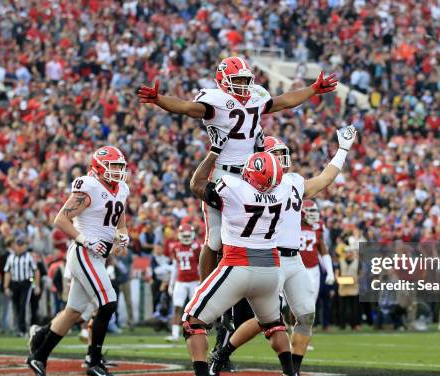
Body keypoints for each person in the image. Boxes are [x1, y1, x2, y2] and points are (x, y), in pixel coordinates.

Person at [137, 56, 337, 285]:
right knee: (215, 239)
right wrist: (158, 99)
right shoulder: (215, 99)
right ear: (223, 81)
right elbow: (186, 107)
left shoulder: (256, 97)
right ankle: (205, 291)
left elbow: (284, 101)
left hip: (251, 176)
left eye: (245, 80)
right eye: (237, 80)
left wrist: (312, 89)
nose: (242, 85)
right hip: (223, 172)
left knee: (255, 234)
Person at [208, 127, 356, 376]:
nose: (280, 159)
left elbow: (324, 179)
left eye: (281, 154)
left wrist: (342, 150)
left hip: (294, 258)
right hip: (269, 256)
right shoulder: (251, 185)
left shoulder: (295, 182)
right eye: (274, 155)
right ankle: (221, 355)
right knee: (267, 318)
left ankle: (293, 373)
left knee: (306, 314)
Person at [173, 151, 296, 376]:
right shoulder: (285, 190)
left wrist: (213, 155)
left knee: (191, 318)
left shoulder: (233, 187)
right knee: (273, 324)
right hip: (271, 270)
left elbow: (196, 184)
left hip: (238, 265)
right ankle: (290, 375)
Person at [26, 146, 130, 376]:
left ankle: (39, 356)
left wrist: (123, 238)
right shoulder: (89, 186)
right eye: (113, 166)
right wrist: (85, 239)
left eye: (120, 167)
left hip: (98, 256)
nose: (117, 171)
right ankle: (94, 361)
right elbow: (60, 219)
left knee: (73, 312)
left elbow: (119, 224)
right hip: (83, 253)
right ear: (99, 166)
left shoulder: (122, 189)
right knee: (108, 303)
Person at [165, 224, 202, 342]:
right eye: (184, 235)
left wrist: (202, 281)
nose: (186, 237)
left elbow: (201, 265)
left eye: (188, 235)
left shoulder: (197, 246)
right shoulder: (175, 247)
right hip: (180, 281)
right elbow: (175, 266)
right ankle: (175, 334)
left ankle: (198, 331)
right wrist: (171, 283)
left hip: (194, 281)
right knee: (177, 307)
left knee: (196, 309)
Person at [3, 237, 40, 336]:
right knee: (16, 306)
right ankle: (20, 329)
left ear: (24, 246)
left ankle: (23, 329)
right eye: (18, 245)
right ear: (15, 246)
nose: (20, 247)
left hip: (26, 283)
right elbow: (7, 272)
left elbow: (36, 271)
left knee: (23, 305)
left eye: (22, 245)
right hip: (15, 284)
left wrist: (36, 285)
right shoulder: (11, 257)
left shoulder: (29, 256)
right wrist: (6, 286)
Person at [300, 200, 335, 305]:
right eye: (310, 211)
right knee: (295, 303)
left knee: (311, 303)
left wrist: (330, 272)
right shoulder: (292, 225)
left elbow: (324, 251)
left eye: (314, 211)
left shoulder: (318, 226)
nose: (313, 214)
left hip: (313, 268)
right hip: (296, 268)